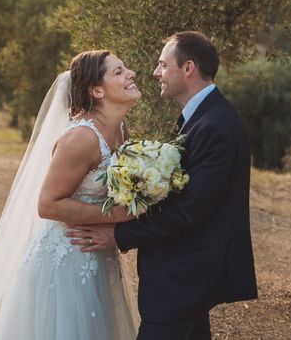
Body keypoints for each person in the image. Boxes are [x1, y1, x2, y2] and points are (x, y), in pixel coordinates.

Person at [67, 31, 258, 340]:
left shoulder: (215, 127)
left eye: (163, 65)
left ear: (188, 68)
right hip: (183, 274)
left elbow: (189, 212)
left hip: (184, 276)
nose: (156, 73)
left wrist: (119, 233)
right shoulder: (201, 118)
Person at [0, 50, 141, 340]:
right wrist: (115, 215)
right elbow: (48, 204)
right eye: (118, 71)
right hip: (67, 259)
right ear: (97, 90)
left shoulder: (120, 131)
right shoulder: (81, 138)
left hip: (99, 254)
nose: (130, 73)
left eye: (125, 68)